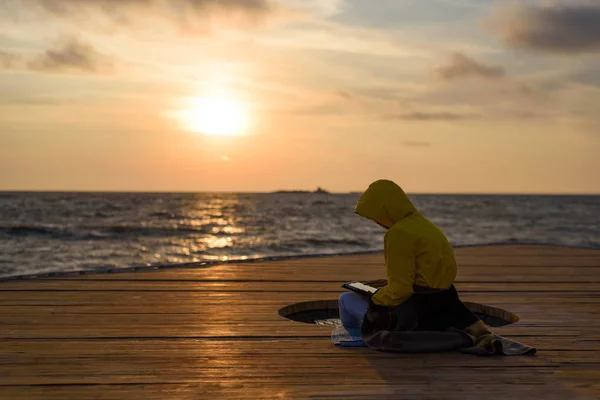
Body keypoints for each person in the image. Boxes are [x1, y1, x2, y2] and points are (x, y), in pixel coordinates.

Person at [339, 179, 491, 342]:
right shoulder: (427, 226)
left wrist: (374, 296)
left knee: (346, 299)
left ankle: (359, 338)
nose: (376, 222)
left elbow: (401, 291)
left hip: (417, 314)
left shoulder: (398, 234)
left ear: (386, 210)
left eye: (376, 216)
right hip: (446, 308)